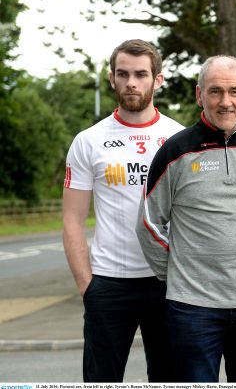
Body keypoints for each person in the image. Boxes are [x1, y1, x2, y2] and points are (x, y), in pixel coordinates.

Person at [136, 55, 236, 383]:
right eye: (215, 91)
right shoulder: (175, 151)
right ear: (200, 95)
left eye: (234, 92)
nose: (225, 102)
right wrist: (176, 271)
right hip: (193, 310)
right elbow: (148, 222)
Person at [62, 39, 184, 382]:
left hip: (169, 282)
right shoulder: (88, 141)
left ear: (157, 80)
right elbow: (72, 219)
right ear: (112, 79)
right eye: (123, 73)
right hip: (108, 284)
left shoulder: (178, 139)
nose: (132, 82)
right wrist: (88, 286)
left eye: (141, 74)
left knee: (171, 377)